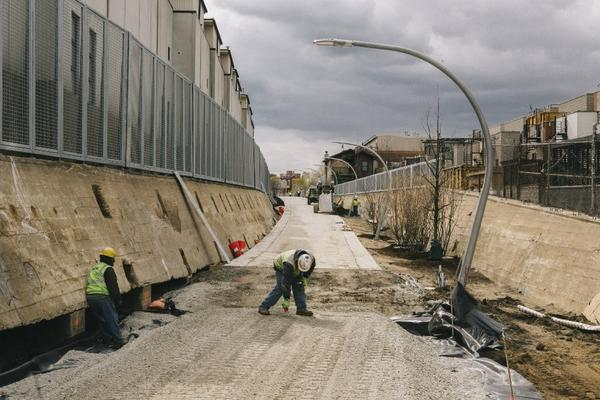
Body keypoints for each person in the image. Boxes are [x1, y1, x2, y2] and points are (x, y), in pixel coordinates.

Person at [258, 249, 316, 316]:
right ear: (298, 261)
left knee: (299, 285)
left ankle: (301, 309)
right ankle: (263, 306)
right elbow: (286, 284)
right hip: (281, 266)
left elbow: (311, 268)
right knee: (280, 287)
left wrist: (305, 277)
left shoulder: (311, 259)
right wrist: (286, 298)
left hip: (294, 266)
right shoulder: (289, 263)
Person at [86, 247, 124, 348]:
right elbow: (113, 286)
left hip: (91, 297)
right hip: (102, 297)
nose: (114, 261)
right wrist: (118, 300)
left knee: (102, 319)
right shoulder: (108, 269)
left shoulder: (95, 268)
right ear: (109, 258)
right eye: (113, 258)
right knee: (112, 318)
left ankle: (107, 340)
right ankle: (118, 341)